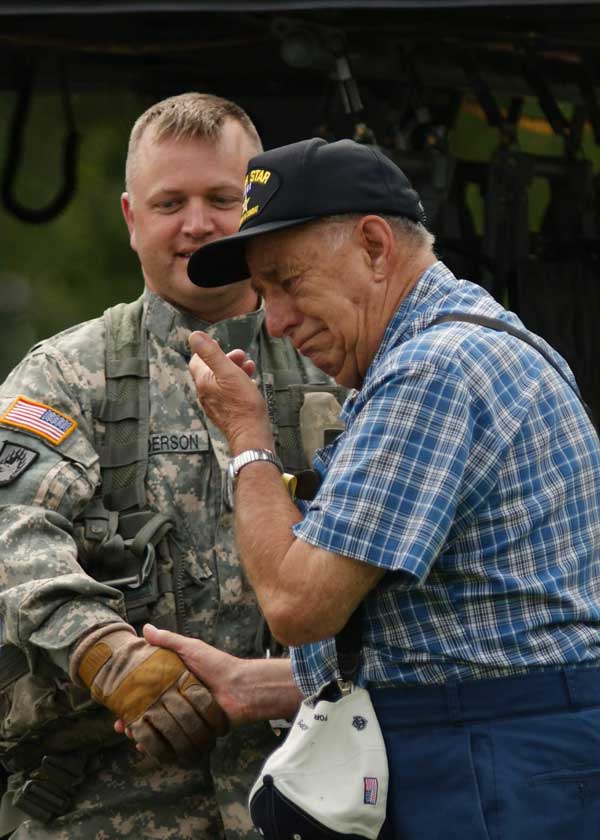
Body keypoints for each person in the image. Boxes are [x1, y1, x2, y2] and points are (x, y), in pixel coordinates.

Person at [148, 136, 600, 838]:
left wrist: (247, 437)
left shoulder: (432, 372)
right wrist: (253, 685)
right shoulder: (473, 339)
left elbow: (298, 605)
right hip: (504, 750)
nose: (275, 322)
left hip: (487, 761)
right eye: (262, 293)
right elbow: (451, 631)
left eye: (288, 281)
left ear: (374, 246)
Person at [0, 99, 344, 839]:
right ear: (131, 217)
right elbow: (13, 537)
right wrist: (106, 655)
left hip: (320, 796)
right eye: (169, 203)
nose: (197, 225)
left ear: (255, 203)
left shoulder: (339, 359)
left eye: (222, 199)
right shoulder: (64, 376)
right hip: (105, 804)